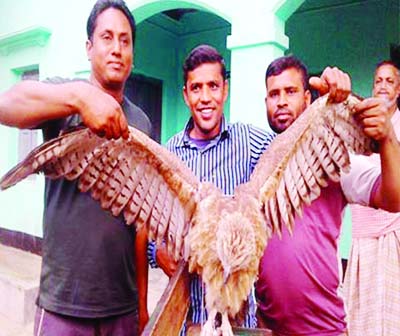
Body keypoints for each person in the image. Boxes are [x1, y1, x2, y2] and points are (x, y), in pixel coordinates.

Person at [147, 46, 353, 334]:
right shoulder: (169, 155)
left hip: (242, 322)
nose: (205, 97)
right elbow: (146, 223)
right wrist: (157, 251)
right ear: (185, 94)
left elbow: (296, 145)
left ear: (225, 90)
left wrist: (333, 103)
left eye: (213, 86)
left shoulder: (254, 144)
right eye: (196, 88)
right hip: (191, 317)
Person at [0, 0, 151, 334]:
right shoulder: (63, 99)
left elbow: (139, 224)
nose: (116, 49)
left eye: (125, 41)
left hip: (121, 307)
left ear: (133, 54)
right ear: (89, 47)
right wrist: (81, 98)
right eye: (107, 37)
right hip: (64, 304)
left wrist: (140, 305)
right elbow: (6, 104)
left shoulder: (141, 122)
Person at [255, 55, 400, 336]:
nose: (282, 101)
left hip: (323, 330)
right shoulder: (260, 163)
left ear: (307, 98)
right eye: (274, 94)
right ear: (266, 103)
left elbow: (393, 199)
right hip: (268, 328)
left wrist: (387, 138)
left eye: (291, 91)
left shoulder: (333, 159)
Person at [343, 60, 400, 336]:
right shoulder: (361, 124)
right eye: (379, 80)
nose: (383, 86)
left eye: (390, 81)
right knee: (360, 319)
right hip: (362, 239)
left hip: (393, 238)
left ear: (399, 89)